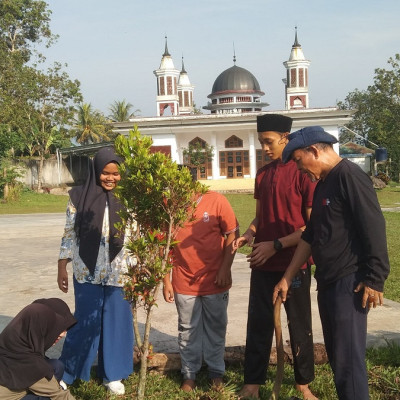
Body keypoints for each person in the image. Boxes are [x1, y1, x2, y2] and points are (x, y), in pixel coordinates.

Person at [273, 126, 390, 400]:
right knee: (339, 359)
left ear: (314, 150)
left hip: (349, 283)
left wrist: (375, 278)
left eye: (299, 161)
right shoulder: (324, 182)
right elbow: (310, 234)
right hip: (327, 282)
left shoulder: (350, 176)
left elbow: (373, 225)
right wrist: (288, 276)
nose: (300, 170)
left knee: (348, 362)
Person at [233, 114, 318, 400]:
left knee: (299, 325)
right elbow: (260, 218)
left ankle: (303, 384)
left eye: (269, 142)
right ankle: (252, 384)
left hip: (294, 264)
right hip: (263, 263)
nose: (265, 148)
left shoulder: (302, 172)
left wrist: (276, 245)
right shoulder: (263, 174)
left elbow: (310, 226)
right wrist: (248, 235)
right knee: (258, 324)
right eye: (261, 143)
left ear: (285, 137)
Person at [57, 146, 135, 396]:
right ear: (95, 170)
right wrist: (62, 266)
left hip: (120, 272)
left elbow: (138, 236)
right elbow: (69, 233)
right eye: (105, 173)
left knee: (117, 322)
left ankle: (113, 374)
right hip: (86, 270)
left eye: (116, 173)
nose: (111, 178)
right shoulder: (78, 196)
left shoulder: (130, 198)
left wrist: (140, 269)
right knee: (84, 323)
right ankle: (69, 371)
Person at [163, 187, 239, 392]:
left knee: (216, 327)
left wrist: (225, 268)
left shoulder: (216, 201)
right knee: (187, 329)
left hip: (216, 279)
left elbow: (232, 233)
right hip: (184, 281)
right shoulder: (170, 205)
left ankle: (216, 373)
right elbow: (164, 244)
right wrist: (166, 281)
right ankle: (189, 375)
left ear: (195, 185)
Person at [0, 298, 76, 400]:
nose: (63, 334)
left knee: (56, 366)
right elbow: (61, 396)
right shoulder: (29, 362)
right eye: (55, 327)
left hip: (14, 379)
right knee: (48, 397)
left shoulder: (13, 340)